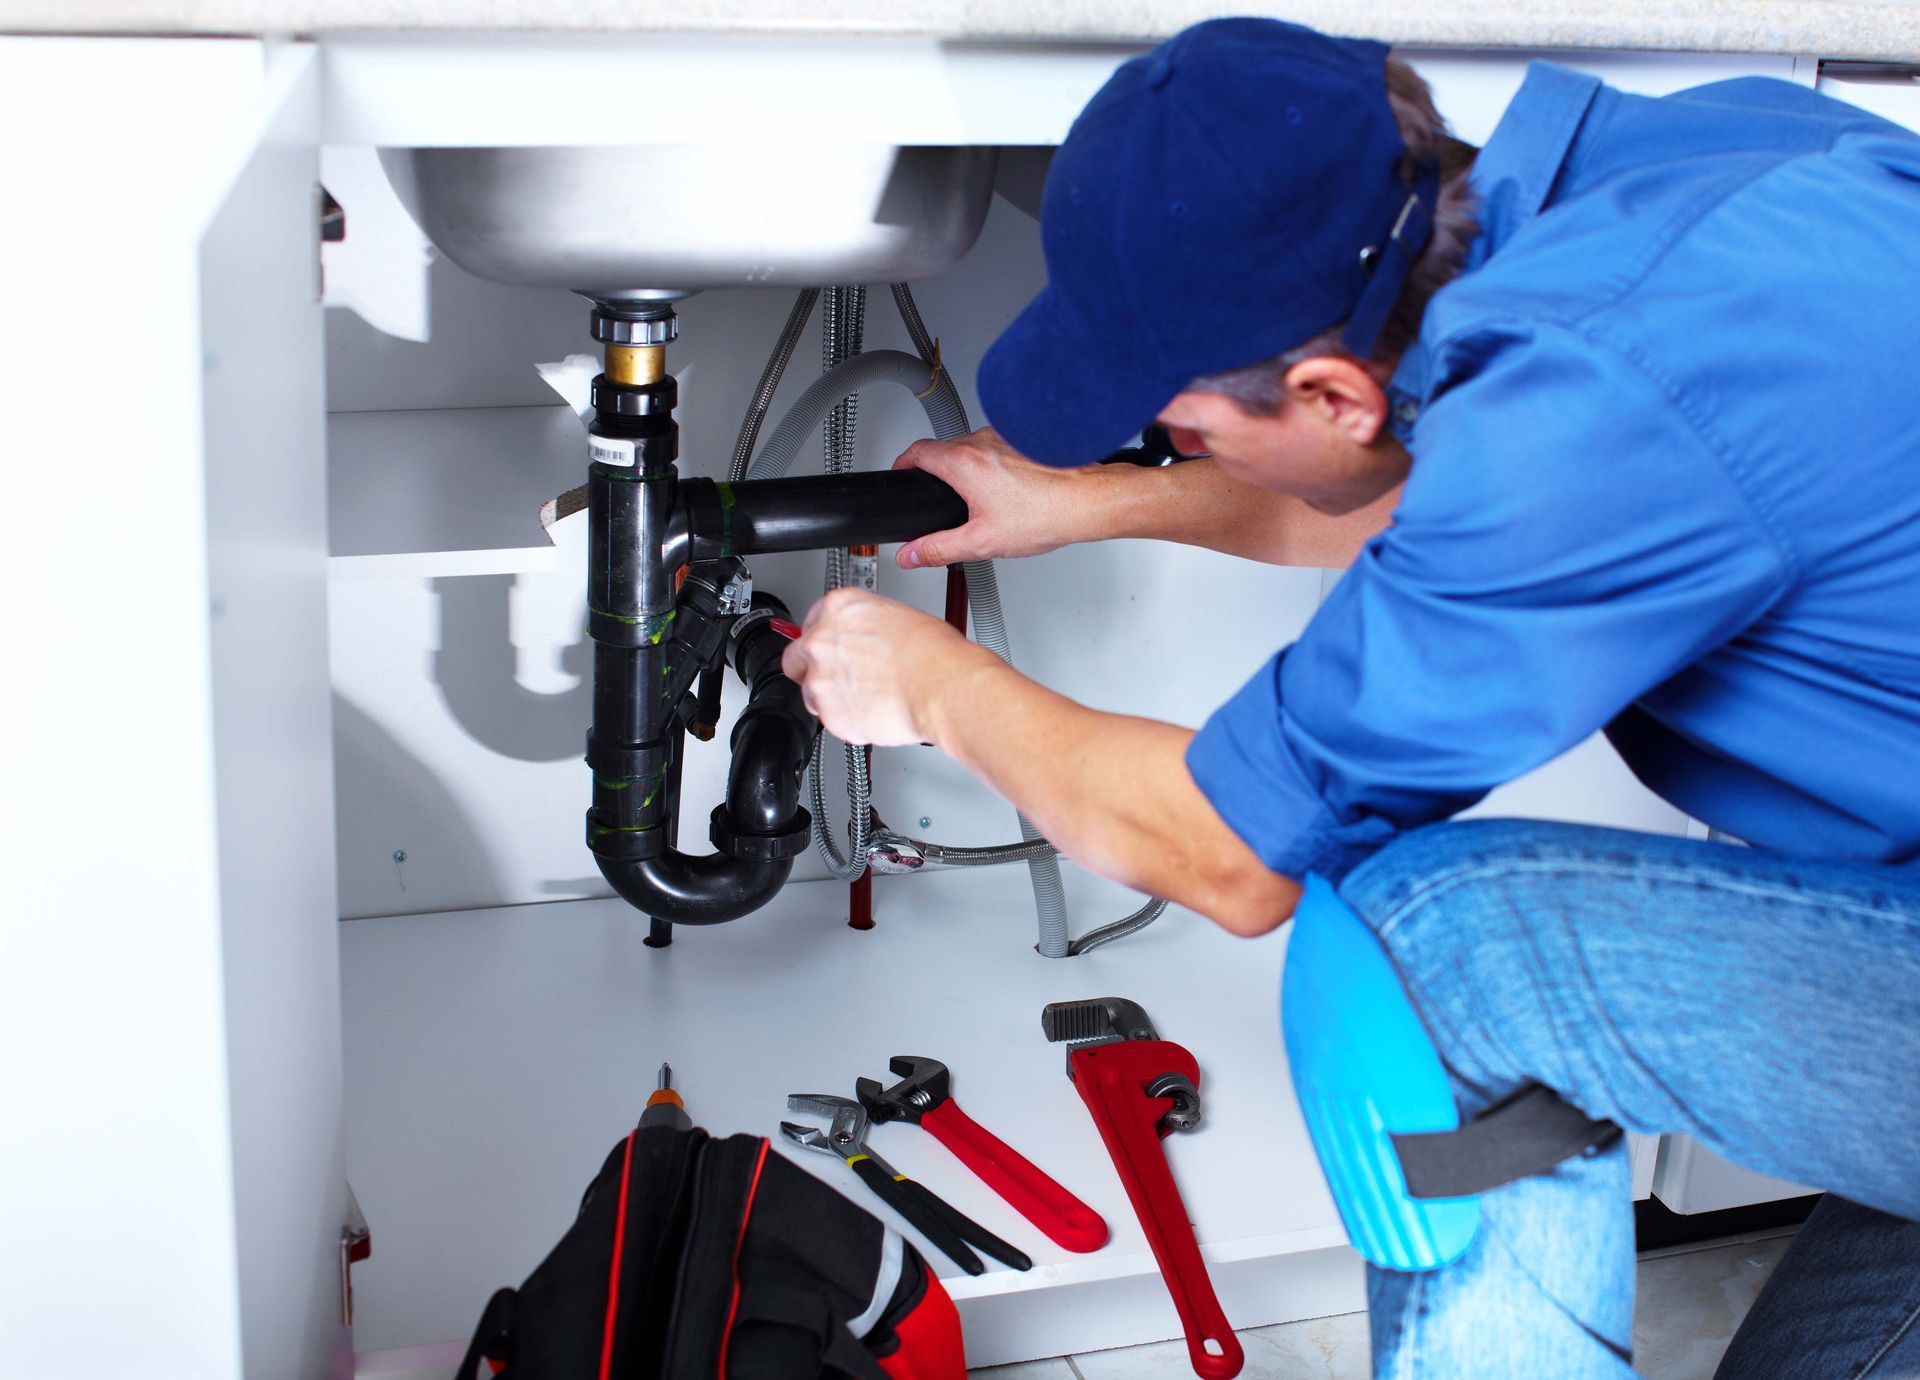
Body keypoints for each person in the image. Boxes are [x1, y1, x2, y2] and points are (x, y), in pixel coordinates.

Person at [779, 19, 1920, 1377]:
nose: (1177, 447)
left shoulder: (1598, 407)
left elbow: (1230, 855)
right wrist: (1076, 505)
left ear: (1326, 388)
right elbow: (1451, 486)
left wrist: (933, 688)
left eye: (1185, 431)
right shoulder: (1697, 170)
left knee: (1432, 947)